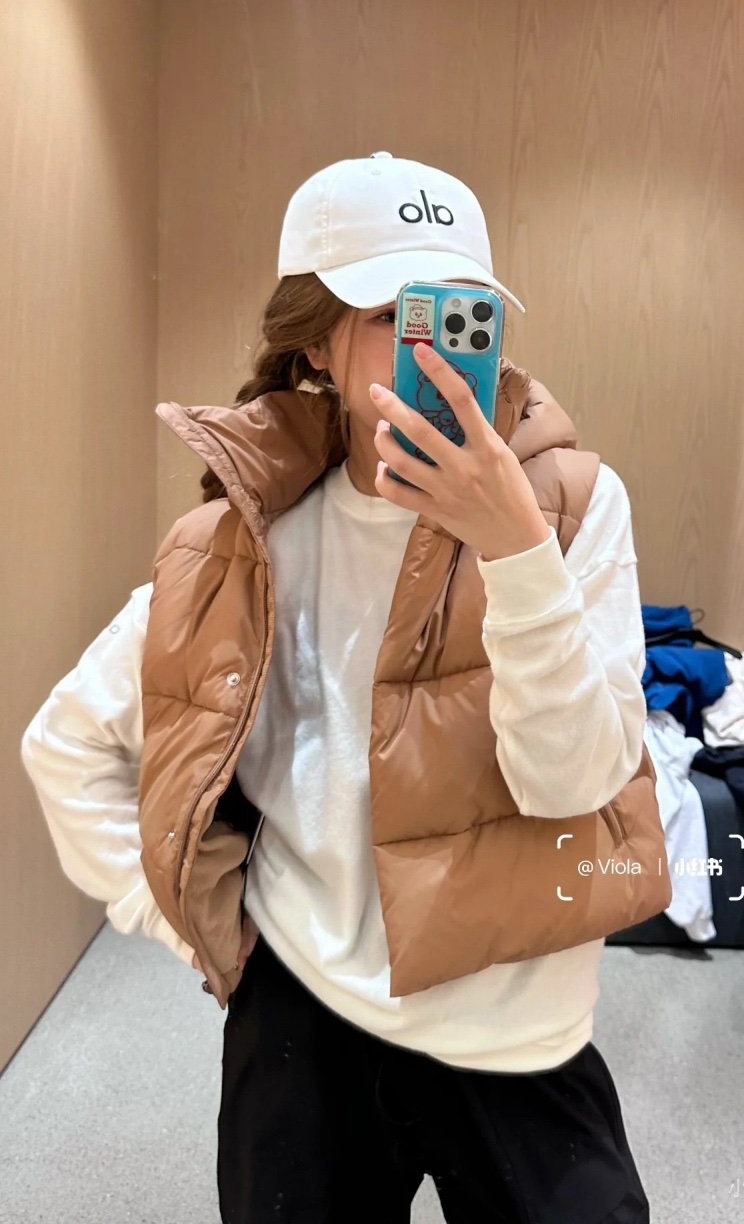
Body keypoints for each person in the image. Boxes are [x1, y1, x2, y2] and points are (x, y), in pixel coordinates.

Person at [21, 152, 666, 1222]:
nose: (437, 348)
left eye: (460, 311)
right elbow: (67, 741)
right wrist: (192, 923)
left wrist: (515, 552)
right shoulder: (248, 538)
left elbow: (576, 782)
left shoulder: (573, 507)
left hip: (516, 1026)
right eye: (394, 314)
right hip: (303, 1014)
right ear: (315, 342)